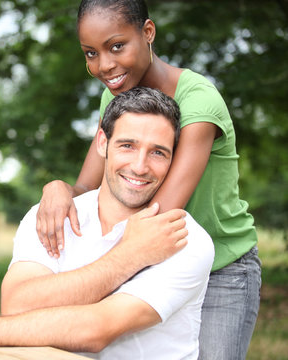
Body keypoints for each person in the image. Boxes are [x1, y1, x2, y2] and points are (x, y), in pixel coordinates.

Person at [0, 87, 215, 359]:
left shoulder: (183, 239)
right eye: (127, 145)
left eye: (158, 152)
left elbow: (96, 329)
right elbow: (17, 305)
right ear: (103, 143)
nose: (140, 166)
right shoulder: (50, 215)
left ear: (173, 158)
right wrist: (131, 255)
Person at [35, 1, 261, 358]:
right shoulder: (114, 98)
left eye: (116, 46)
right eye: (91, 53)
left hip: (220, 268)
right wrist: (56, 189)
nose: (104, 65)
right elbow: (87, 188)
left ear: (148, 33)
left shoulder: (198, 102)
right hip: (150, 258)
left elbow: (159, 214)